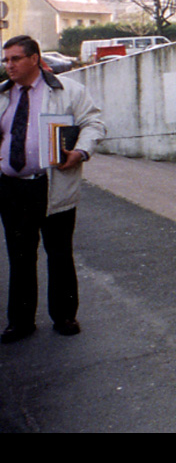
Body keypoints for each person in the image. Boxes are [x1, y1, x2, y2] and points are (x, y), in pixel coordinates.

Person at [0, 35, 105, 343]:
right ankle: (20, 321)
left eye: (15, 59)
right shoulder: (4, 95)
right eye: (6, 60)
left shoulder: (67, 91)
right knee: (19, 256)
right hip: (10, 188)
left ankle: (64, 316)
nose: (9, 65)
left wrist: (80, 151)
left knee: (59, 253)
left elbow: (94, 124)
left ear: (34, 58)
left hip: (52, 186)